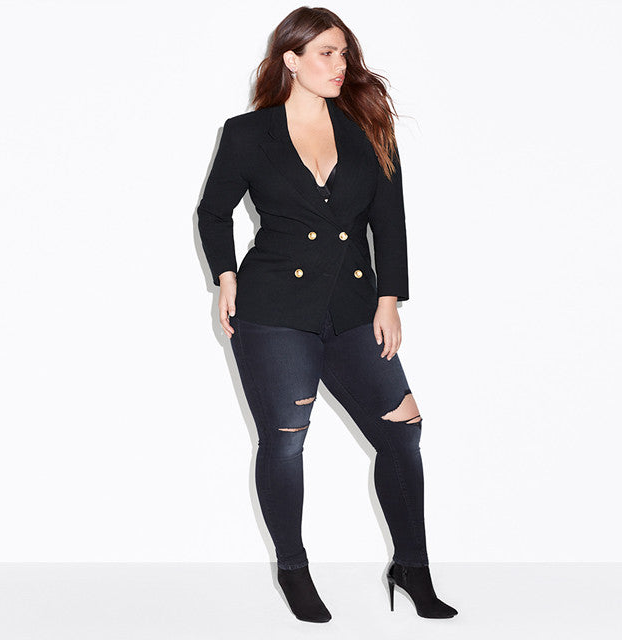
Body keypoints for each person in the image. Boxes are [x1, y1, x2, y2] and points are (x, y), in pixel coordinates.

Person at [196, 7, 457, 623]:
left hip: (353, 308)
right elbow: (213, 212)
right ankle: (293, 569)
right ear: (291, 60)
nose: (340, 66)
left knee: (402, 430)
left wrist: (389, 299)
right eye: (326, 54)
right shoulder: (247, 133)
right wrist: (225, 278)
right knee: (286, 441)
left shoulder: (368, 129)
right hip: (273, 311)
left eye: (344, 54)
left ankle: (412, 567)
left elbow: (389, 222)